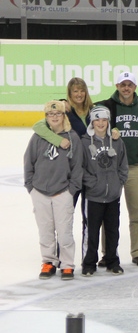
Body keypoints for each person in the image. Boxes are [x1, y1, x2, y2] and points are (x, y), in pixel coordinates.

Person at [99, 71, 138, 268]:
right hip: (111, 170)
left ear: (135, 87)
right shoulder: (106, 107)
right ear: (117, 86)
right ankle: (108, 254)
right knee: (108, 214)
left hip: (137, 168)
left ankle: (137, 252)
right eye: (122, 84)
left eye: (130, 84)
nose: (126, 88)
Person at [25, 100, 83, 280]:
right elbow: (29, 162)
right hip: (40, 192)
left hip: (62, 192)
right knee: (46, 230)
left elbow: (77, 166)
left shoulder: (72, 137)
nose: (55, 117)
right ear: (46, 117)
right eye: (51, 114)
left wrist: (71, 190)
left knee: (64, 231)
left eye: (58, 114)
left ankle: (67, 264)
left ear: (63, 116)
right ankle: (48, 261)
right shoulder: (37, 138)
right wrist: (31, 187)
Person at [32, 77, 93, 240]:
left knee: (90, 218)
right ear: (69, 93)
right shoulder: (63, 108)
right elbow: (38, 126)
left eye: (82, 90)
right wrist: (58, 140)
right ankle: (61, 254)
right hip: (70, 172)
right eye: (75, 91)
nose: (79, 94)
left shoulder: (93, 110)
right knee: (64, 217)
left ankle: (87, 257)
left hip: (90, 171)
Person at [80, 105, 128, 276]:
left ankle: (112, 261)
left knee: (113, 230)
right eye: (97, 119)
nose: (101, 123)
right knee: (91, 231)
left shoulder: (116, 140)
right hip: (93, 196)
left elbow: (123, 164)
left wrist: (118, 182)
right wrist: (92, 183)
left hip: (113, 195)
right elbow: (80, 167)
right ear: (92, 121)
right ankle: (88, 263)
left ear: (108, 121)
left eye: (104, 119)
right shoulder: (84, 142)